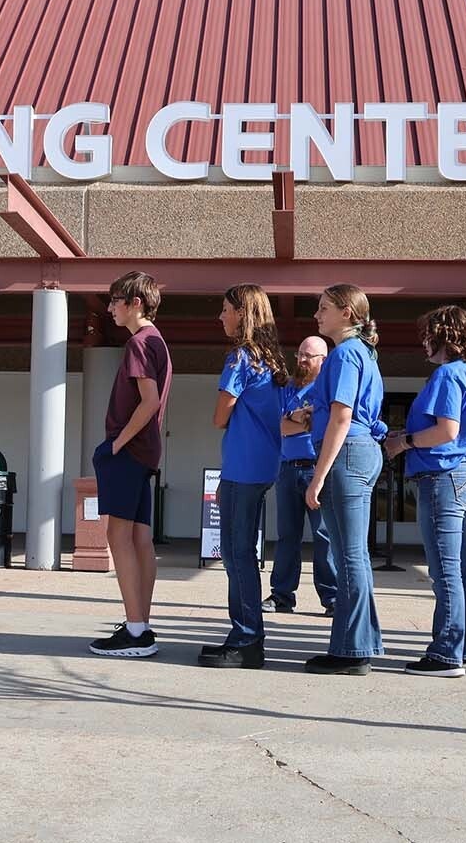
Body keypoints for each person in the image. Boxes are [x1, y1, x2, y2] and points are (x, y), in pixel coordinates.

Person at [384, 305, 466, 678]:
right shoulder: (465, 374)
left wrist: (403, 442)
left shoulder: (446, 374)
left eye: (428, 334)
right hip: (458, 475)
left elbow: (446, 431)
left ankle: (446, 653)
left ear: (444, 335)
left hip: (442, 477)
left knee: (445, 572)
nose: (424, 342)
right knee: (457, 569)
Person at [199, 284, 287, 669]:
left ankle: (247, 637)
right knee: (242, 554)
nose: (220, 317)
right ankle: (246, 634)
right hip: (261, 465)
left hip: (243, 467)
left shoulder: (241, 358)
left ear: (243, 314)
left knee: (237, 555)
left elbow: (220, 416)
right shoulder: (273, 361)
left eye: (225, 310)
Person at [303, 284, 388, 676]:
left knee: (349, 555)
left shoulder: (347, 353)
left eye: (324, 308)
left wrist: (317, 476)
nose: (317, 315)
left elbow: (342, 416)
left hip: (347, 453)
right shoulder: (359, 352)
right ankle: (356, 644)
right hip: (357, 451)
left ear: (348, 314)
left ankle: (352, 651)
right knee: (352, 554)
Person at [89, 271, 174, 657]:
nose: (110, 309)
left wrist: (117, 443)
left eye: (114, 302)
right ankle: (140, 624)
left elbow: (150, 401)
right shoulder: (158, 341)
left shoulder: (139, 343)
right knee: (140, 539)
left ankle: (137, 631)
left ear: (135, 303)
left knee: (118, 538)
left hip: (129, 452)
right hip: (146, 453)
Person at [264, 336, 336, 617]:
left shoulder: (326, 388)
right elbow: (278, 426)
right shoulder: (289, 388)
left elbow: (320, 423)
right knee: (287, 536)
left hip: (316, 468)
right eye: (300, 354)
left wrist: (299, 420)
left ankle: (332, 598)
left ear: (323, 359)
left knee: (324, 535)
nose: (302, 360)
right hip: (287, 468)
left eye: (309, 356)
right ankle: (282, 596)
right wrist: (300, 417)